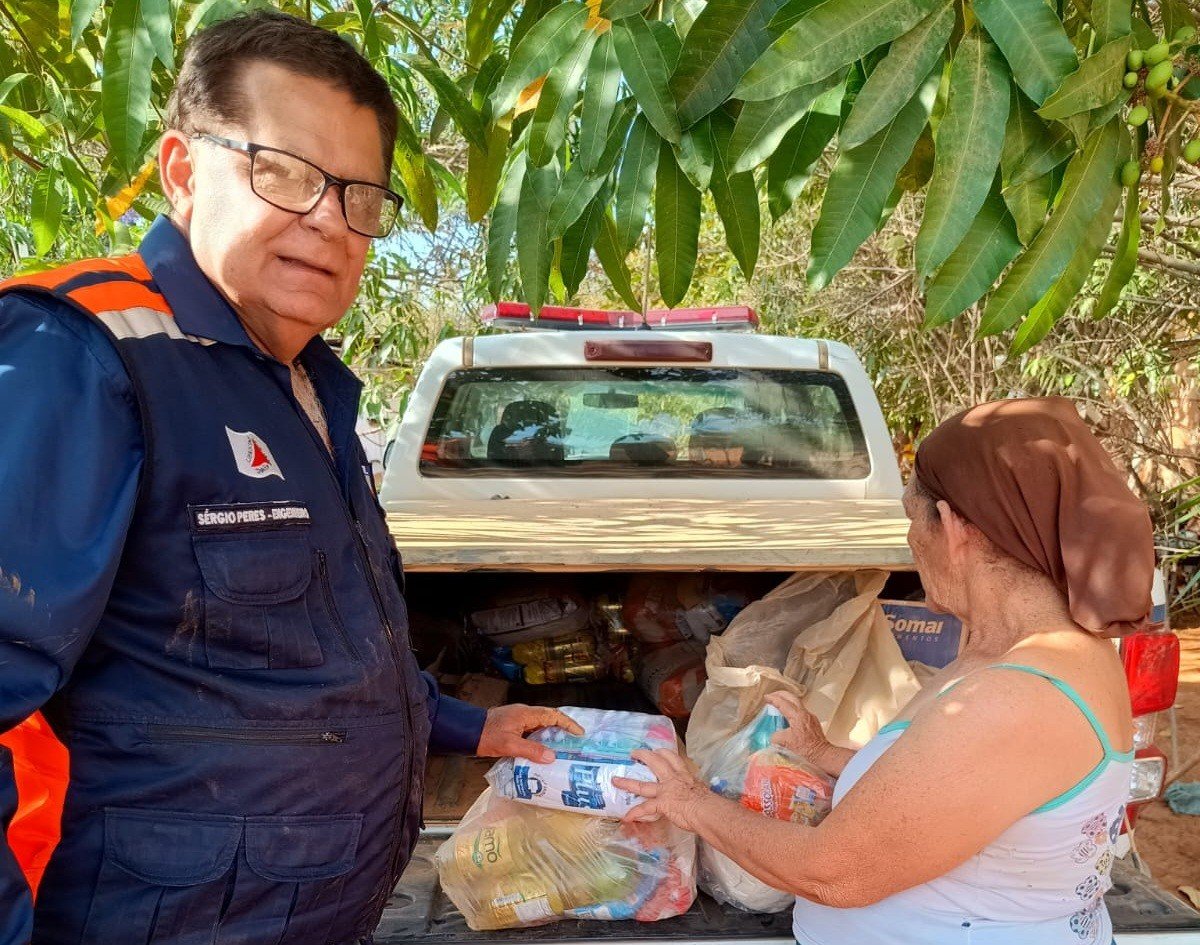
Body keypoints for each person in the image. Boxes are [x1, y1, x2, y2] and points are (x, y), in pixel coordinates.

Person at [0, 12, 578, 944]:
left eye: (359, 195)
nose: (329, 219)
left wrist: (475, 728)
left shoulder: (310, 388)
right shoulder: (89, 357)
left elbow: (307, 649)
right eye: (286, 173)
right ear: (184, 171)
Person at [615, 397, 1155, 945]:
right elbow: (955, 797)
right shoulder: (1023, 653)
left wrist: (690, 804)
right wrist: (824, 755)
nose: (909, 544)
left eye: (909, 519)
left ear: (951, 526)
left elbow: (835, 872)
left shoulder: (1019, 695)